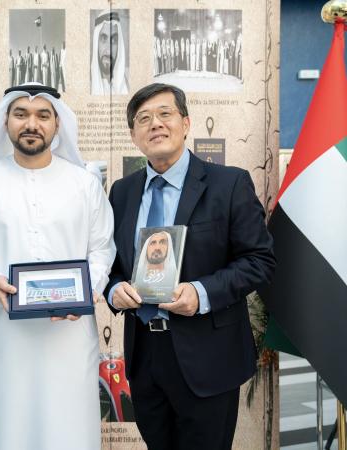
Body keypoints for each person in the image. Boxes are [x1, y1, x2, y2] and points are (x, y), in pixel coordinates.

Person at [104, 83, 275, 450]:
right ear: (134, 136)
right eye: (143, 119)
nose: (155, 125)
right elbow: (111, 265)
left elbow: (259, 261)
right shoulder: (122, 192)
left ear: (186, 123)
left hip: (208, 356)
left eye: (165, 114)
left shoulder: (228, 184)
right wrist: (114, 290)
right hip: (145, 357)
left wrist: (200, 293)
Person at [0, 83, 115, 450]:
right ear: (6, 122)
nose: (32, 124)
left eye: (43, 115)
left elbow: (102, 248)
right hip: (5, 340)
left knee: (68, 431)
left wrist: (86, 291)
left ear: (57, 123)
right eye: (21, 114)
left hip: (69, 340)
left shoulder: (84, 184)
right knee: (7, 431)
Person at [91, 10, 129, 95]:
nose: (109, 50)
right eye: (103, 39)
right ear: (96, 42)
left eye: (114, 40)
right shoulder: (87, 84)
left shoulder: (128, 82)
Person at [133, 230, 177, 301]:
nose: (157, 248)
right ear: (146, 249)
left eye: (162, 242)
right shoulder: (135, 285)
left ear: (169, 248)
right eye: (153, 243)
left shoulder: (174, 283)